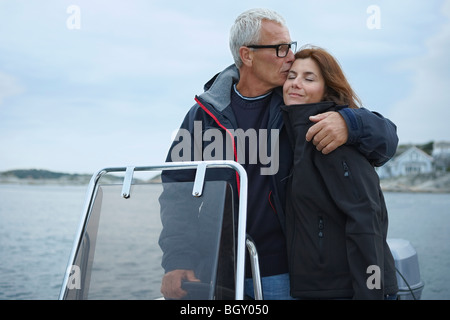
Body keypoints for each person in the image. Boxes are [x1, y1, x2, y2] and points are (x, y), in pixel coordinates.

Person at [159, 8, 398, 300]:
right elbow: (177, 190)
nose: (290, 57)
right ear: (247, 55)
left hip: (286, 273)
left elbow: (386, 141)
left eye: (290, 46)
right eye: (280, 48)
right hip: (217, 273)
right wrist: (178, 260)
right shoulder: (203, 116)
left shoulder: (297, 108)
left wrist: (351, 123)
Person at [281, 46, 398, 299]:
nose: (295, 84)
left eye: (308, 78)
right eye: (291, 76)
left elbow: (366, 222)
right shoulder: (296, 137)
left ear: (327, 89)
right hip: (317, 289)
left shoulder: (333, 138)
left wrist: (370, 293)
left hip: (346, 290)